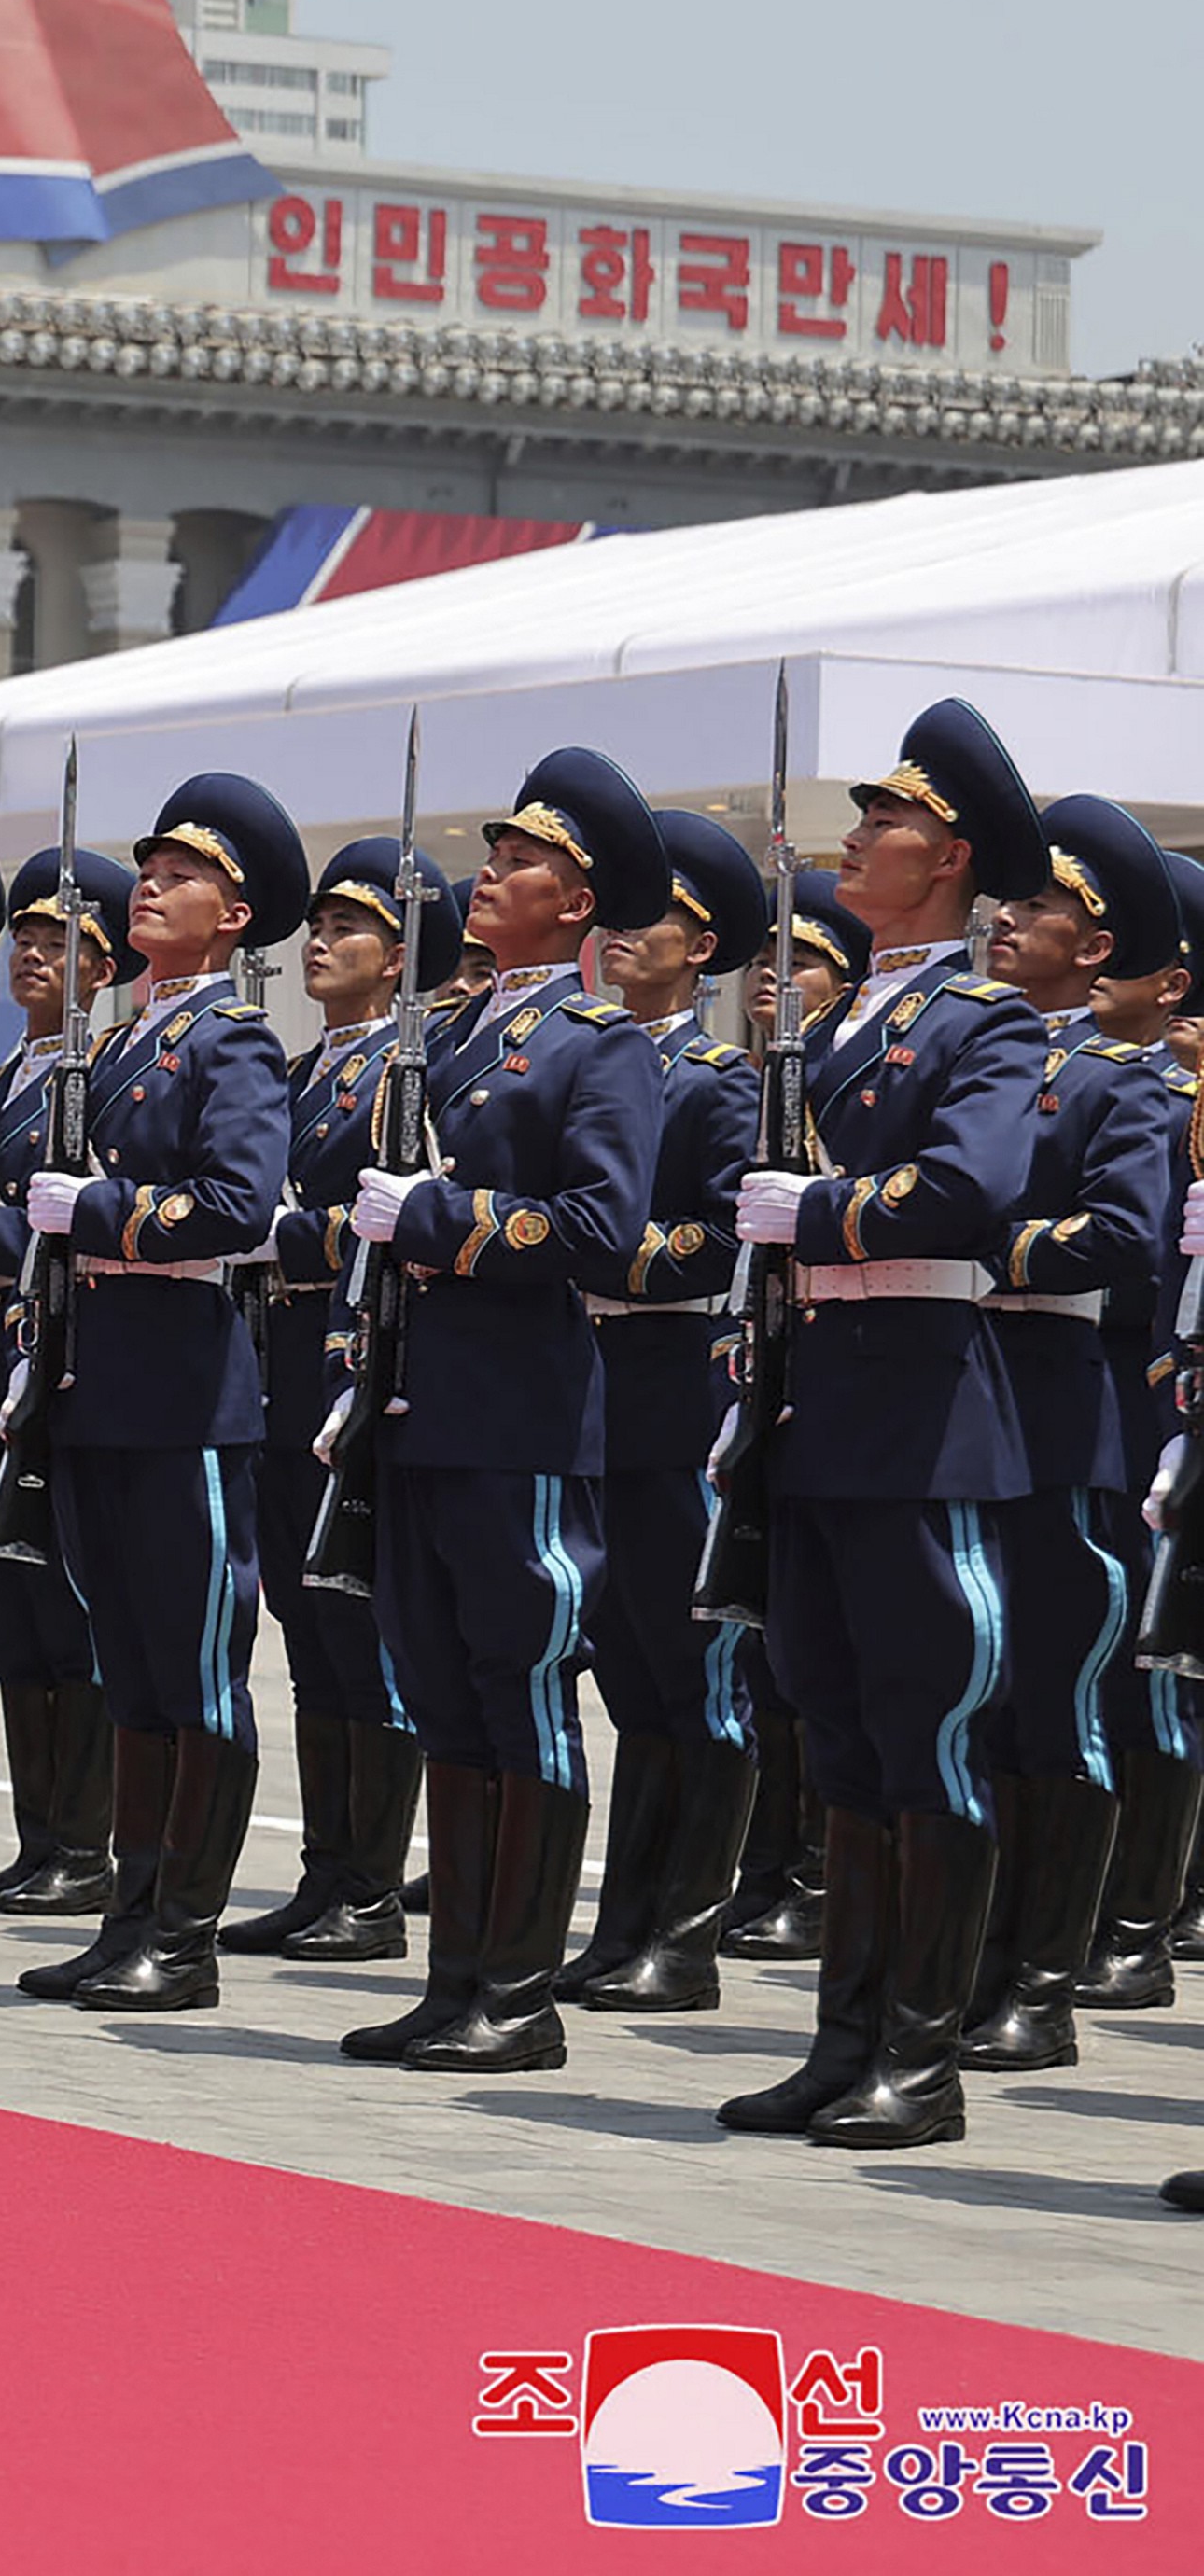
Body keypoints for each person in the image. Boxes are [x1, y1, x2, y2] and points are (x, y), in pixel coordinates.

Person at [719, 697, 1048, 2151]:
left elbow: (969, 1188)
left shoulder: (983, 1018)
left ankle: (921, 2057)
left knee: (930, 1733)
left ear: (951, 855)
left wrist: (822, 1208)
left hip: (922, 1408)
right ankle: (842, 2039)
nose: (855, 839)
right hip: (822, 1404)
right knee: (839, 1736)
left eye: (886, 821)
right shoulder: (841, 1016)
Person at [335, 747, 663, 2077]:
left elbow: (600, 1225)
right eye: (498, 853)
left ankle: (519, 1995)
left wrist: (436, 1214)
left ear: (577, 902)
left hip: (519, 1413)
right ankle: (455, 1979)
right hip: (423, 1406)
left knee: (522, 1692)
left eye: (523, 860)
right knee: (445, 1697)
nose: (491, 872)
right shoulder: (454, 1030)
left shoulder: (602, 1043)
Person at [15, 773, 300, 2012]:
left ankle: (184, 1936)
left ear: (231, 918)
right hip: (103, 1385)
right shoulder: (121, 1039)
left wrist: (101, 1210)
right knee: (128, 1668)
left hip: (184, 1391)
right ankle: (127, 1913)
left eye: (181, 876)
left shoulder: (232, 1039)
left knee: (195, 1669)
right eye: (149, 869)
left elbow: (238, 1204)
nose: (149, 886)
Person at [945, 796, 1181, 2074]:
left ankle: (1041, 1983)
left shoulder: (1120, 1079)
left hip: (1053, 1407)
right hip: (952, 1401)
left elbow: (1125, 1236)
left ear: (1095, 949)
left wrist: (973, 1240)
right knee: (972, 1703)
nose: (1008, 918)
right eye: (1012, 898)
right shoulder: (960, 1050)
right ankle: (970, 1967)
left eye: (1041, 908)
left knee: (1057, 1701)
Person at [560, 812, 769, 2015]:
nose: (626, 935)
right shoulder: (586, 1058)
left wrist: (611, 1255)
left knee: (697, 1675)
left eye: (658, 922)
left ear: (702, 949)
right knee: (630, 1676)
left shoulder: (715, 1078)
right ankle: (624, 1923)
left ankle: (685, 1939)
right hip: (587, 1384)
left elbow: (732, 1231)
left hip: (672, 1383)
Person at [235, 835, 454, 1967]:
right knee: (307, 1630)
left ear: (400, 956)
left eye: (348, 929)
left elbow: (402, 1215)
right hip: (282, 1363)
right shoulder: (298, 1072)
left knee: (363, 1629)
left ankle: (370, 1888)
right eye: (317, 927)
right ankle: (326, 1872)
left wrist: (289, 1234)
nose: (320, 943)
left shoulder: (414, 1071)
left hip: (355, 1360)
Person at [0, 848, 132, 1918]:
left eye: (58, 941)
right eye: (23, 936)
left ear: (102, 968)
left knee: (69, 1606)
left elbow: (91, 1215)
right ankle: (37, 1837)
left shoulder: (100, 1077)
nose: (31, 953)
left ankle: (84, 1841)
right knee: (12, 1606)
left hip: (65, 1360)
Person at [717, 870, 873, 1960]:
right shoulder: (754, 1083)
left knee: (834, 1653)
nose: (775, 979)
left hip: (843, 1366)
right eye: (767, 962)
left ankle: (816, 1873)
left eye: (803, 961)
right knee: (766, 1645)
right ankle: (768, 1862)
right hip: (760, 1368)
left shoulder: (844, 1085)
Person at [1086, 850, 1204, 2012]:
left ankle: (1139, 1927)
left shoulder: (1178, 1105)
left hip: (1143, 1398)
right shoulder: (1071, 1078)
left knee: (1150, 1672)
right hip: (1067, 1395)